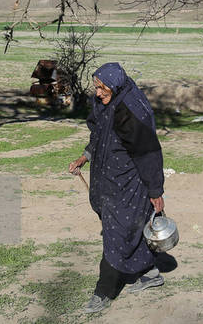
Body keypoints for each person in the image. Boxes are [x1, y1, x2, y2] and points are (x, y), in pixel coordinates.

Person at [69, 62, 165, 314]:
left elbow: (149, 154)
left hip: (128, 181)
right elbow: (98, 132)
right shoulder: (104, 102)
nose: (98, 93)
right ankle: (151, 273)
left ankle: (104, 292)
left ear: (116, 85)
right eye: (96, 87)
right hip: (107, 174)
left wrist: (155, 191)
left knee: (115, 233)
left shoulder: (131, 110)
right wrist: (85, 156)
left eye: (102, 88)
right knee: (126, 228)